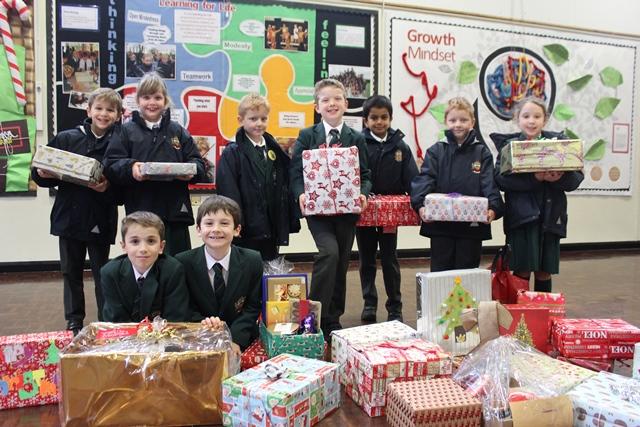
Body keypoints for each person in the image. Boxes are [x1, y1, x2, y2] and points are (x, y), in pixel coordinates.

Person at [31, 88, 122, 335]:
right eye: (99, 108)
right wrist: (42, 174)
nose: (104, 114)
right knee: (70, 272)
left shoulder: (120, 143)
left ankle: (106, 319)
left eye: (110, 110)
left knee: (103, 273)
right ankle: (74, 322)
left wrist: (107, 188)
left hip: (100, 217)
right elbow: (40, 171)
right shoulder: (67, 138)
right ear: (88, 110)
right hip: (68, 217)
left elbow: (123, 187)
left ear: (118, 114)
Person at [290, 78, 372, 338]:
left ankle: (332, 318)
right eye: (325, 100)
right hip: (319, 212)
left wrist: (363, 194)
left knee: (341, 261)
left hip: (347, 212)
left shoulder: (356, 138)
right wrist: (301, 194)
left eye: (337, 98)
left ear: (346, 104)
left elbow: (366, 174)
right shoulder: (307, 136)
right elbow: (295, 173)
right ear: (317, 106)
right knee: (330, 254)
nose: (332, 103)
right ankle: (311, 317)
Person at [104, 72, 206, 256]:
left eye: (157, 97)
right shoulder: (125, 131)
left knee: (177, 264)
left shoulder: (178, 131)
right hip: (141, 208)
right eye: (146, 97)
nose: (152, 102)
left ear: (165, 100)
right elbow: (111, 164)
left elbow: (199, 164)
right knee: (145, 262)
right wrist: (131, 167)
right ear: (138, 100)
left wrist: (191, 171)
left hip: (174, 211)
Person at [493, 96, 584, 292]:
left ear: (545, 118)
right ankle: (520, 318)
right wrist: (535, 178)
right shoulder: (509, 147)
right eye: (526, 116)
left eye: (537, 116)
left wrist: (557, 179)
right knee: (522, 270)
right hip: (521, 220)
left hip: (551, 219)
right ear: (517, 118)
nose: (531, 121)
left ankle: (544, 316)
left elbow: (575, 179)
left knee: (545, 270)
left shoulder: (560, 145)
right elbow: (501, 180)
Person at [411, 97, 504, 272]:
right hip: (440, 227)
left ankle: (466, 301)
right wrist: (420, 205)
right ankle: (440, 301)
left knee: (467, 272)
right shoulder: (436, 151)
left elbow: (488, 183)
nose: (458, 124)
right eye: (453, 120)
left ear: (472, 122)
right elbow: (425, 179)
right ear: (446, 121)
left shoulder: (481, 152)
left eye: (463, 120)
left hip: (471, 228)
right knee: (440, 272)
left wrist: (493, 207)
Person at [356, 95, 418, 323]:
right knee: (366, 259)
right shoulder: (358, 144)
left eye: (384, 117)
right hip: (364, 212)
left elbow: (412, 179)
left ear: (391, 118)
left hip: (391, 214)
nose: (379, 122)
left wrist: (418, 200)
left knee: (390, 259)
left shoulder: (400, 146)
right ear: (365, 120)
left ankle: (395, 307)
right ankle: (369, 303)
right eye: (374, 118)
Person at [216, 93, 300, 261]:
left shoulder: (274, 150)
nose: (259, 123)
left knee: (269, 269)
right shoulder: (232, 152)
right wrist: (235, 222)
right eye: (253, 119)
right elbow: (228, 191)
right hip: (247, 226)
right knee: (247, 269)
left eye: (263, 118)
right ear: (241, 120)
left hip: (271, 223)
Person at [175, 195, 263, 353]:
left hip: (241, 338)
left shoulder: (252, 260)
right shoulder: (182, 262)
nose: (216, 229)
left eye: (224, 223)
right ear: (198, 229)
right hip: (198, 337)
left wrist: (235, 340)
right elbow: (183, 306)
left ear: (237, 230)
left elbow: (252, 306)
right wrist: (204, 326)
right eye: (209, 223)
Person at [101, 211, 190, 322]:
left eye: (151, 241)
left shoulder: (173, 270)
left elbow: (175, 317)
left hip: (162, 336)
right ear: (124, 246)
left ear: (161, 246)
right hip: (124, 337)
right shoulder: (110, 272)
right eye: (135, 241)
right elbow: (115, 319)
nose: (143, 249)